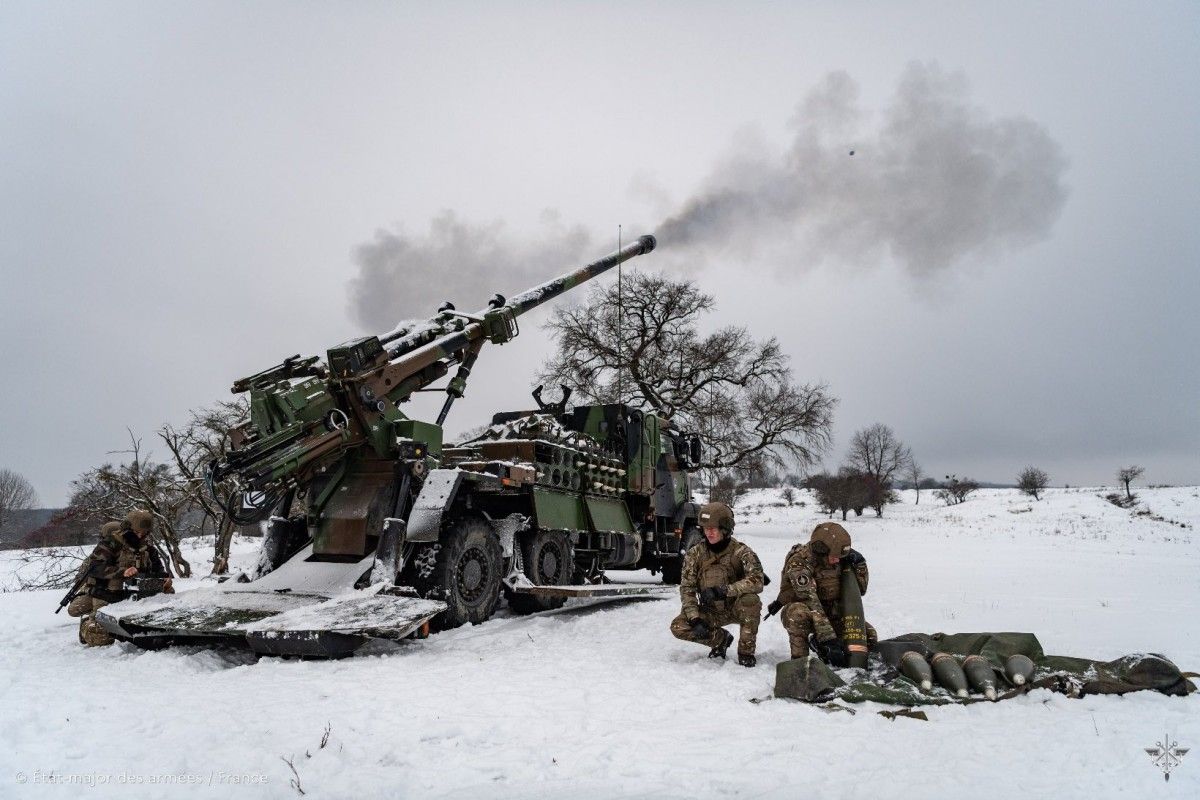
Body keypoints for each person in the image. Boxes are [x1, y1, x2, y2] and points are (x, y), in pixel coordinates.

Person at [766, 521, 876, 665]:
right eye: (834, 555)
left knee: (870, 637)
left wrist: (860, 565)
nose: (837, 560)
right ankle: (800, 662)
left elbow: (860, 590)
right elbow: (809, 600)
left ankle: (821, 646)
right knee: (797, 615)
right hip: (807, 612)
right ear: (821, 549)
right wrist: (829, 639)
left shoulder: (839, 557)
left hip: (832, 615)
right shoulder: (800, 561)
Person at [669, 502, 764, 667]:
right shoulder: (695, 554)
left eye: (713, 528)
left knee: (751, 601)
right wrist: (694, 618)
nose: (708, 533)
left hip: (735, 607)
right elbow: (687, 588)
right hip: (710, 610)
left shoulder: (741, 552)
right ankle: (720, 640)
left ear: (725, 529)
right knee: (679, 626)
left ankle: (746, 652)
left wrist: (725, 590)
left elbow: (757, 581)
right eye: (705, 528)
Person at [75, 510, 172, 647]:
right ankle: (87, 625)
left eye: (144, 533)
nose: (140, 536)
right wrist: (122, 572)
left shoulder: (149, 549)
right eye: (137, 532)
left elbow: (159, 571)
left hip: (137, 595)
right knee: (101, 638)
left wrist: (165, 580)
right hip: (107, 594)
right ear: (127, 528)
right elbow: (95, 568)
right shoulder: (111, 543)